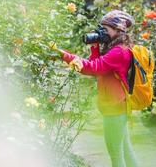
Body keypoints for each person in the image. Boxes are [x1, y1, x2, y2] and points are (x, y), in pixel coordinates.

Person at [52, 10, 138, 167]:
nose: (101, 33)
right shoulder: (118, 48)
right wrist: (95, 49)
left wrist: (64, 56)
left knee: (116, 156)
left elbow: (92, 68)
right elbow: (97, 68)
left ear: (118, 30)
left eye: (105, 29)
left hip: (114, 109)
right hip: (118, 106)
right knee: (125, 151)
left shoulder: (119, 51)